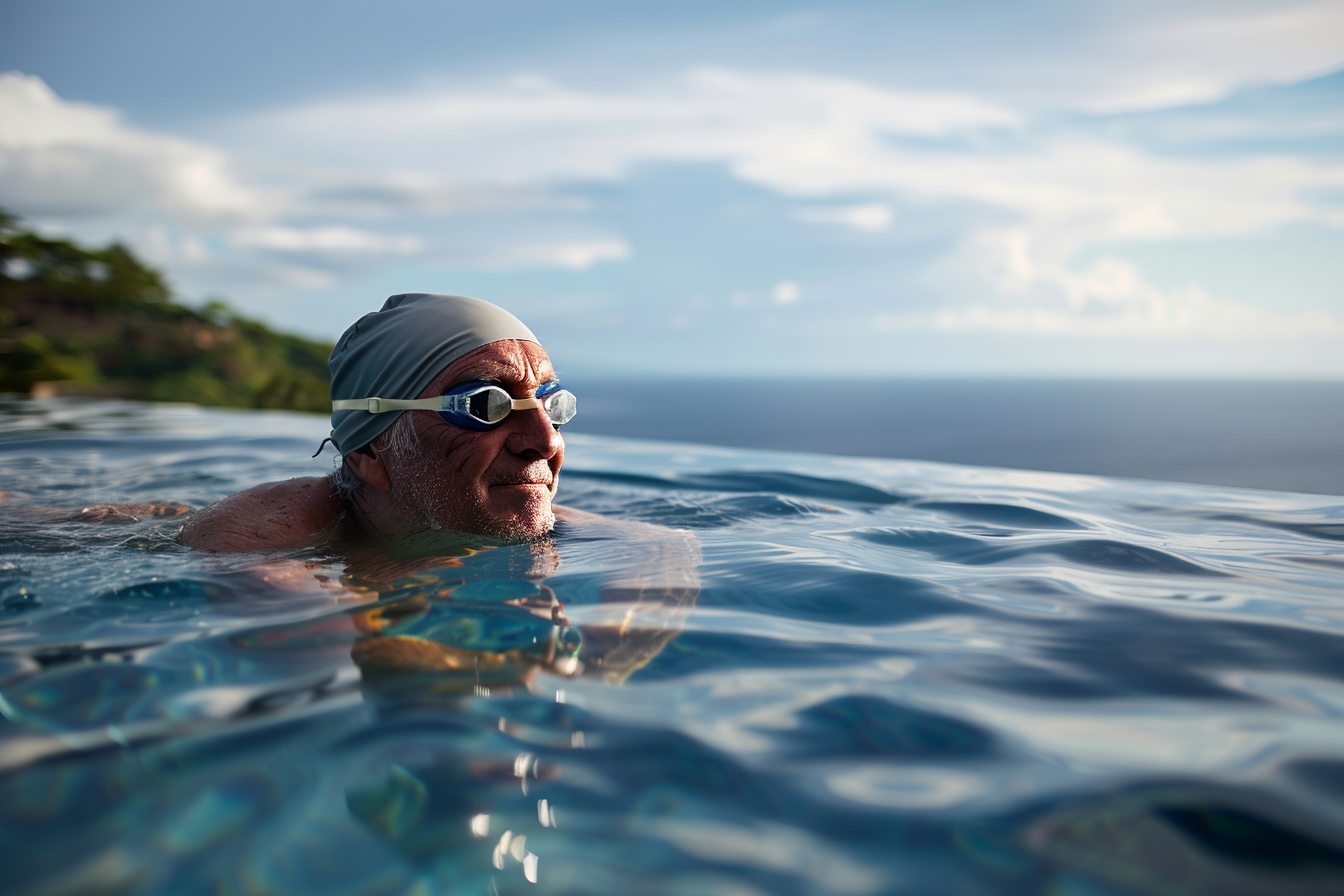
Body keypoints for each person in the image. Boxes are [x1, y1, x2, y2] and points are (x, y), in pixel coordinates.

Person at [178, 293, 585, 552]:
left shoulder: (557, 521)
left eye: (552, 405)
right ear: (368, 451)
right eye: (485, 404)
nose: (546, 442)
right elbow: (311, 648)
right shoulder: (264, 540)